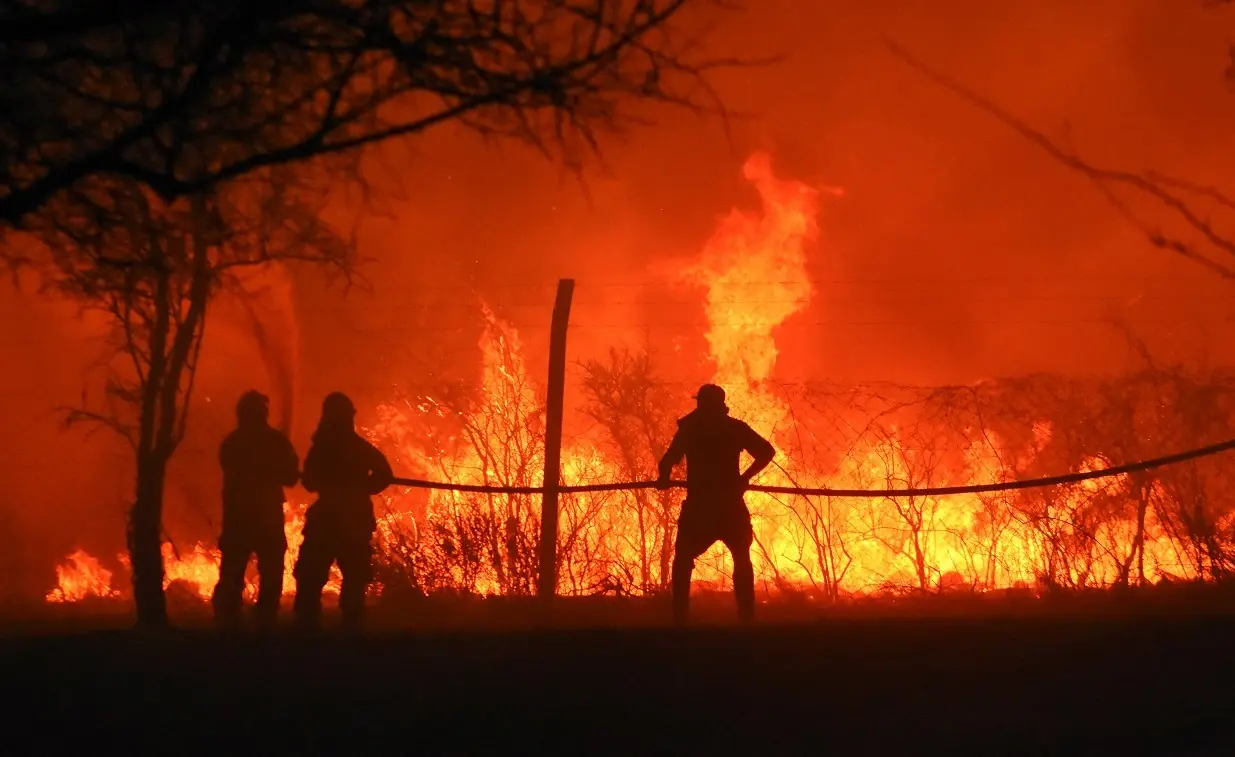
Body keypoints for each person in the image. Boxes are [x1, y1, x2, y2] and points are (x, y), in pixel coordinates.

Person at [656, 384, 775, 624]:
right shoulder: (734, 429)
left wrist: (664, 479)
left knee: (683, 561)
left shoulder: (690, 429)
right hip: (729, 505)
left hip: (701, 507)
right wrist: (744, 478)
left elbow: (669, 459)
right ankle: (746, 619)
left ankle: (680, 619)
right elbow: (766, 452)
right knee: (741, 559)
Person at [293, 392, 394, 630]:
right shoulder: (359, 448)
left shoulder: (321, 449)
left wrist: (338, 485)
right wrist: (364, 489)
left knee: (311, 576)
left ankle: (307, 630)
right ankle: (351, 627)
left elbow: (309, 482)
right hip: (353, 520)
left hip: (327, 519)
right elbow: (384, 474)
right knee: (353, 578)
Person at [211, 390, 299, 629]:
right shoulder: (276, 442)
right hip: (266, 518)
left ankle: (227, 625)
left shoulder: (231, 443)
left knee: (232, 572)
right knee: (270, 573)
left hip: (238, 517)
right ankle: (265, 623)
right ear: (263, 414)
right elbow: (291, 478)